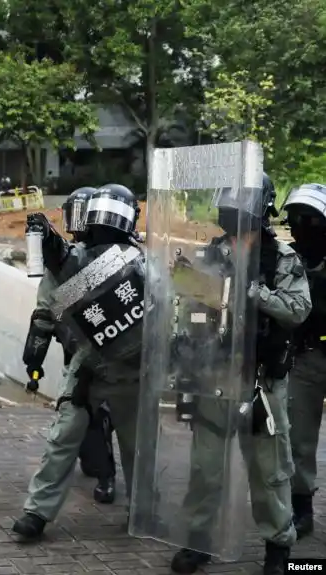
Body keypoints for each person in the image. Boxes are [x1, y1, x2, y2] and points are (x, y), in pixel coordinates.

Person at [166, 173, 309, 575]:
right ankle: (198, 541)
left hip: (261, 381)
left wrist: (251, 293)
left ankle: (279, 545)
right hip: (214, 377)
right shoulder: (210, 255)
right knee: (205, 470)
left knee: (269, 472)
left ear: (261, 207)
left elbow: (298, 309)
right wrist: (184, 342)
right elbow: (190, 307)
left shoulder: (280, 258)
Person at [13, 184, 145, 540]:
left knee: (137, 446)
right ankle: (37, 512)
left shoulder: (139, 262)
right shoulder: (76, 259)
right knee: (63, 437)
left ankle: (142, 513)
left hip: (131, 368)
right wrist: (35, 355)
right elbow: (54, 302)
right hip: (88, 362)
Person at [22, 186, 118, 508]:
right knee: (84, 417)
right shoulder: (66, 262)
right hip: (81, 355)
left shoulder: (119, 258)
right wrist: (33, 360)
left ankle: (108, 476)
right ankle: (99, 468)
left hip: (118, 355)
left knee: (97, 416)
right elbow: (45, 314)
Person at [282, 182, 326, 539]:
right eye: (295, 218)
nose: (299, 226)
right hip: (306, 356)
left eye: (309, 219)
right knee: (299, 438)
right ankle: (301, 507)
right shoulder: (286, 259)